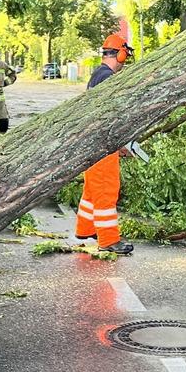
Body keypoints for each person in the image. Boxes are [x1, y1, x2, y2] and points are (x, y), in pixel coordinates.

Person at [75, 32, 136, 255]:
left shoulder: (98, 75)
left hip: (92, 143)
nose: (125, 62)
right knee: (106, 190)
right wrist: (121, 142)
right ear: (119, 54)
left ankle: (86, 229)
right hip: (102, 144)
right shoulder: (107, 78)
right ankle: (109, 239)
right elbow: (111, 116)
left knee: (92, 190)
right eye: (125, 56)